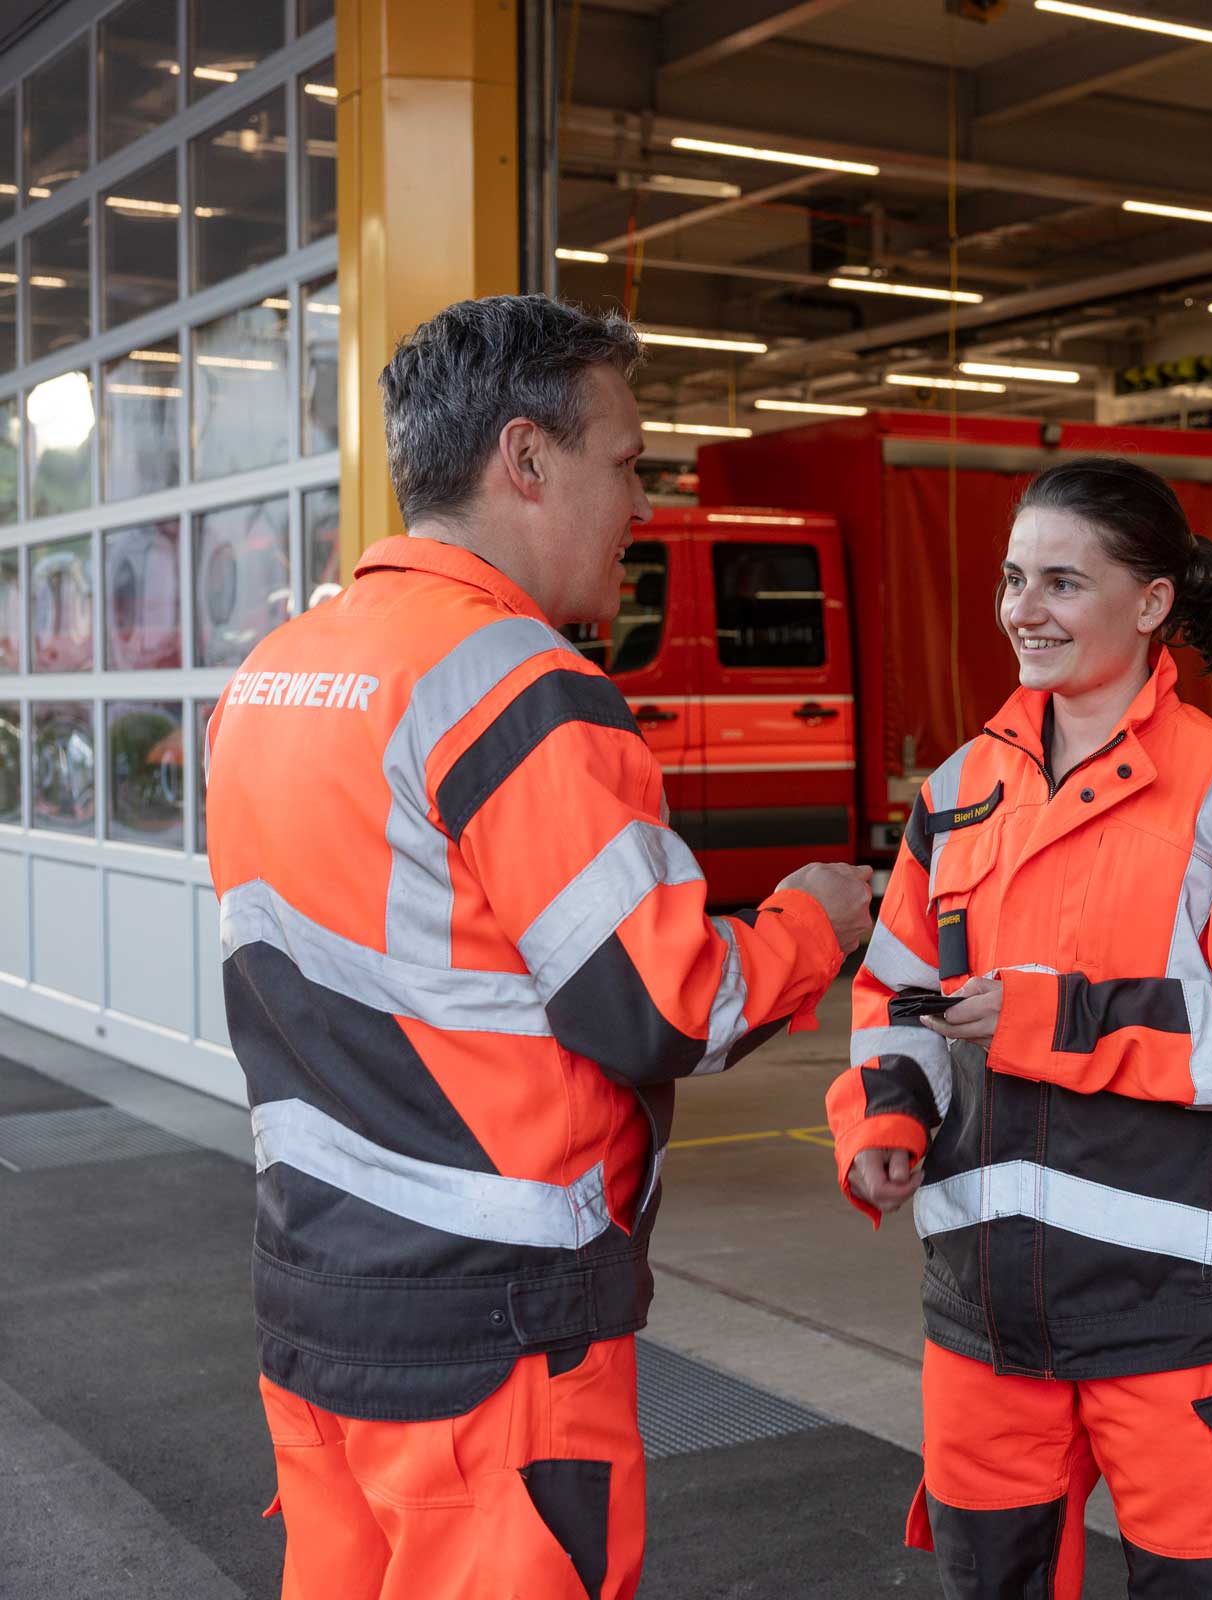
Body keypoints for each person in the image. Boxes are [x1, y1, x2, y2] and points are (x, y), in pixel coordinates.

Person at [207, 294, 874, 1600]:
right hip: (493, 1335)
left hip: (317, 1297)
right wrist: (816, 925)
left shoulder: (273, 677)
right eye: (627, 465)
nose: (640, 504)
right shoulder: (522, 689)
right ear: (526, 459)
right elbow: (663, 1007)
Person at [826, 456, 1212, 1599]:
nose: (1025, 610)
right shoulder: (957, 792)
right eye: (1016, 579)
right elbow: (893, 999)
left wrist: (1052, 1019)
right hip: (982, 1324)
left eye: (1063, 582)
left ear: (1153, 601)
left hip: (1176, 1329)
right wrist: (888, 1114)